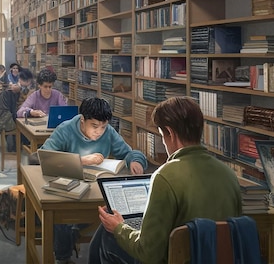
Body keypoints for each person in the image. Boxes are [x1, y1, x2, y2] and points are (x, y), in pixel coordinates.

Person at [89, 96, 242, 264]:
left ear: (170, 133)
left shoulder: (165, 176)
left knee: (107, 235)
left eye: (162, 135)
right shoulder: (229, 175)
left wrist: (119, 228)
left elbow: (148, 252)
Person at [39, 97, 147, 264]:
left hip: (97, 187)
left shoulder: (108, 132)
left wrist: (135, 161)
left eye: (103, 127)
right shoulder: (65, 129)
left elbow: (129, 152)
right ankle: (63, 257)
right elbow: (46, 156)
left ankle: (88, 243)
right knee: (61, 219)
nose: (99, 131)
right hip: (69, 188)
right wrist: (81, 160)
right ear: (83, 120)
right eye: (94, 126)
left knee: (119, 211)